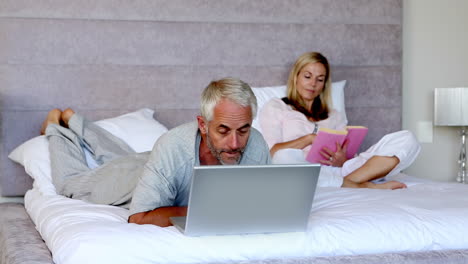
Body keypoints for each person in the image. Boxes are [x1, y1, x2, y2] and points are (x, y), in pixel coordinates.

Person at [42, 77, 271, 227]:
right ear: (202, 124)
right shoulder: (172, 147)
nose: (234, 143)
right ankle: (55, 127)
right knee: (71, 184)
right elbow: (138, 217)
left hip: (154, 163)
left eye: (243, 130)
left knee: (126, 158)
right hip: (134, 178)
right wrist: (206, 212)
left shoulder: (256, 144)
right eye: (223, 130)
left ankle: (75, 120)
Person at [259, 52, 421, 189]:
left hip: (339, 171)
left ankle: (351, 182)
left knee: (407, 139)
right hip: (302, 170)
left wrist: (343, 160)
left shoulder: (333, 114)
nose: (313, 84)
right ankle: (363, 186)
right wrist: (308, 139)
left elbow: (348, 152)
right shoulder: (277, 107)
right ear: (296, 77)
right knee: (284, 158)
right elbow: (270, 153)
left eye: (320, 79)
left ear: (324, 84)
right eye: (307, 76)